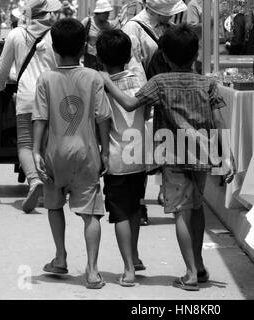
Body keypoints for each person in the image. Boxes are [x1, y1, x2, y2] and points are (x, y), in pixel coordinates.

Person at [100, 24, 235, 291]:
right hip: (203, 154)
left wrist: (106, 82)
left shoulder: (159, 82)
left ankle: (190, 274)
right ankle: (198, 264)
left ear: (166, 58)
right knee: (196, 208)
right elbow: (219, 120)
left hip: (174, 154)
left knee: (181, 214)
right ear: (195, 54)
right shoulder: (208, 83)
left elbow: (128, 104)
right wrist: (227, 156)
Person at [32, 17, 112, 289]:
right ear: (83, 48)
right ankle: (92, 271)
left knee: (54, 206)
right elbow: (102, 117)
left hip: (54, 155)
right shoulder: (93, 77)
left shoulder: (45, 79)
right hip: (86, 153)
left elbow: (40, 118)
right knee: (91, 214)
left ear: (53, 48)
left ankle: (60, 256)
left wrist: (35, 151)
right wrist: (105, 152)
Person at [122, 0, 187, 226]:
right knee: (140, 153)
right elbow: (133, 68)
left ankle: (166, 192)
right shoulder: (133, 28)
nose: (172, 17)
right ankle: (139, 204)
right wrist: (148, 99)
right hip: (147, 99)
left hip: (167, 98)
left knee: (166, 147)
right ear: (154, 10)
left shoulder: (167, 28)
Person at [0, 0, 62, 213]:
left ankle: (33, 180)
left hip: (25, 96)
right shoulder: (57, 35)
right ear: (49, 13)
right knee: (48, 143)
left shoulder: (16, 35)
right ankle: (49, 191)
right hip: (52, 94)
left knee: (25, 142)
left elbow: (2, 68)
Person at [96, 29, 148, 287]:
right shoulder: (139, 78)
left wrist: (103, 152)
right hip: (138, 156)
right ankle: (135, 256)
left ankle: (128, 268)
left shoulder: (101, 85)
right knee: (135, 208)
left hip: (116, 159)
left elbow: (103, 121)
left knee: (120, 214)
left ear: (99, 58)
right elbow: (144, 110)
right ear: (128, 57)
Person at [81, 0, 113, 71]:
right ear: (99, 13)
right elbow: (78, 35)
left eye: (108, 13)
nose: (108, 15)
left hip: (103, 60)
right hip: (89, 58)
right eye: (106, 13)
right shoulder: (87, 22)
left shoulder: (109, 26)